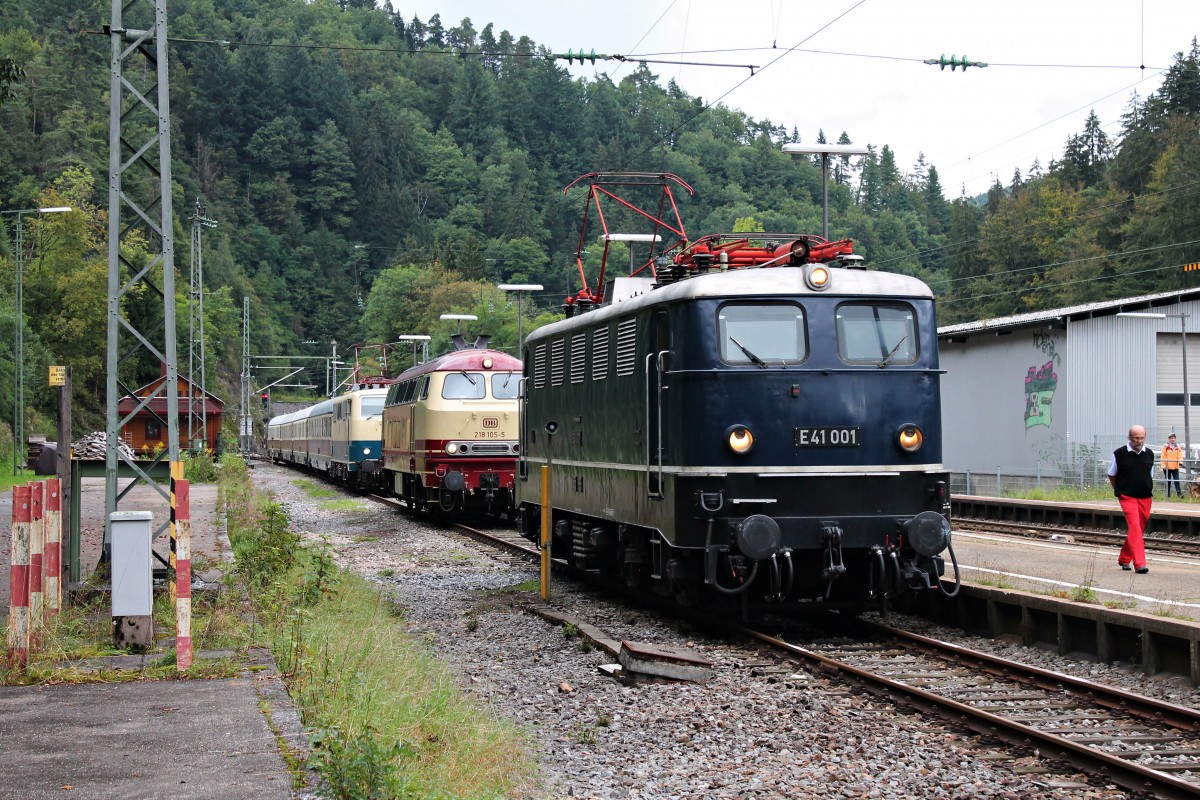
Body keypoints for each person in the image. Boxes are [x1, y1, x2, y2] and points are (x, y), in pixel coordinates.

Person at [1108, 424, 1153, 574]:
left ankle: (1124, 558)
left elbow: (1149, 474)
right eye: (1136, 438)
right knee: (1134, 527)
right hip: (1127, 496)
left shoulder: (1149, 454)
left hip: (1145, 496)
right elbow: (1112, 474)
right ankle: (1140, 563)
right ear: (1129, 437)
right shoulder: (1119, 454)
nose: (1139, 441)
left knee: (1138, 529)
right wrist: (1118, 490)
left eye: (1142, 438)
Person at [1161, 433, 1183, 498]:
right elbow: (1163, 456)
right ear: (1169, 439)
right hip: (1167, 467)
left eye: (1174, 438)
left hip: (1175, 467)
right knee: (1168, 481)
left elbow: (1180, 456)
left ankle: (1179, 494)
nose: (1173, 439)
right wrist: (1163, 465)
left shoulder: (1177, 447)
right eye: (1171, 438)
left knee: (1177, 480)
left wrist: (1180, 462)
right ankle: (1167, 495)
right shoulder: (1166, 447)